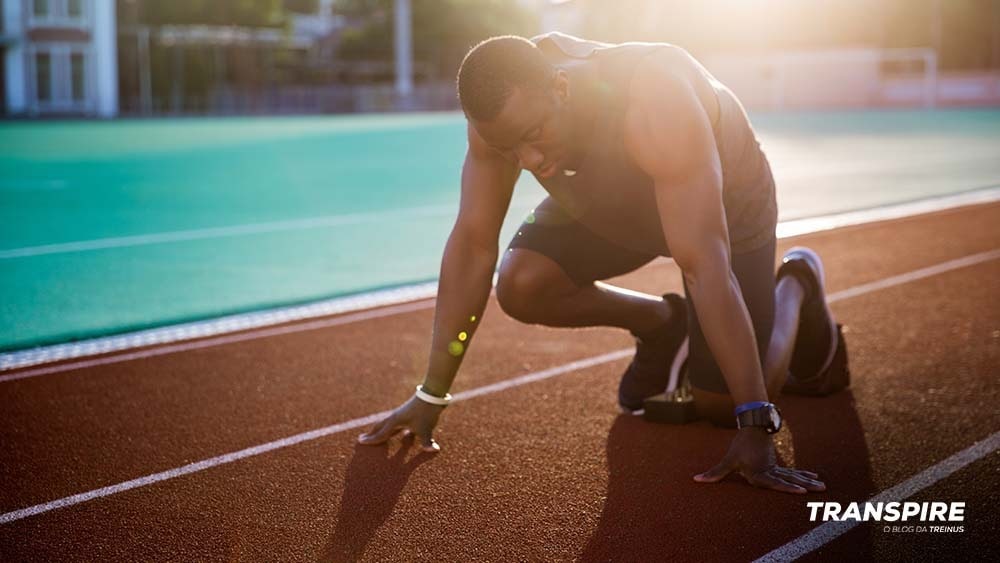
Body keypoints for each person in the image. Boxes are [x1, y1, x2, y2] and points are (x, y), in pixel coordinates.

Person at [358, 33, 849, 494]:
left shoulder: (655, 102)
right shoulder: (499, 116)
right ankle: (664, 324)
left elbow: (703, 266)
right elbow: (473, 245)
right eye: (510, 148)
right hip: (610, 200)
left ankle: (796, 284)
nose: (527, 160)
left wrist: (755, 419)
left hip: (726, 205)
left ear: (561, 87)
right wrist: (432, 392)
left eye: (534, 135)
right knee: (522, 283)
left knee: (721, 405)